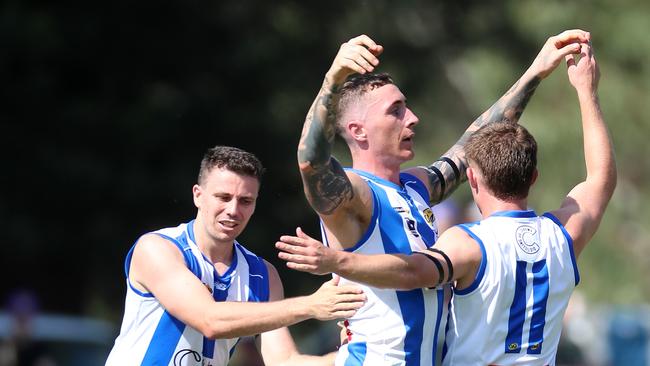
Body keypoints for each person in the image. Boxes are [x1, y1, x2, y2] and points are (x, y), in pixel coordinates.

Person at [278, 39, 616, 365]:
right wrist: (332, 81)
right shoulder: (354, 194)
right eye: (396, 111)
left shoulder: (415, 187)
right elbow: (312, 162)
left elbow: (474, 146)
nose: (412, 118)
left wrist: (535, 72)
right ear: (359, 130)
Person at [105, 146, 366, 366]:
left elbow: (284, 361)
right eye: (223, 197)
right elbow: (209, 320)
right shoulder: (158, 248)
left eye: (245, 201)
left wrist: (347, 358)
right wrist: (310, 305)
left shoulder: (262, 275)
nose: (233, 210)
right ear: (198, 195)